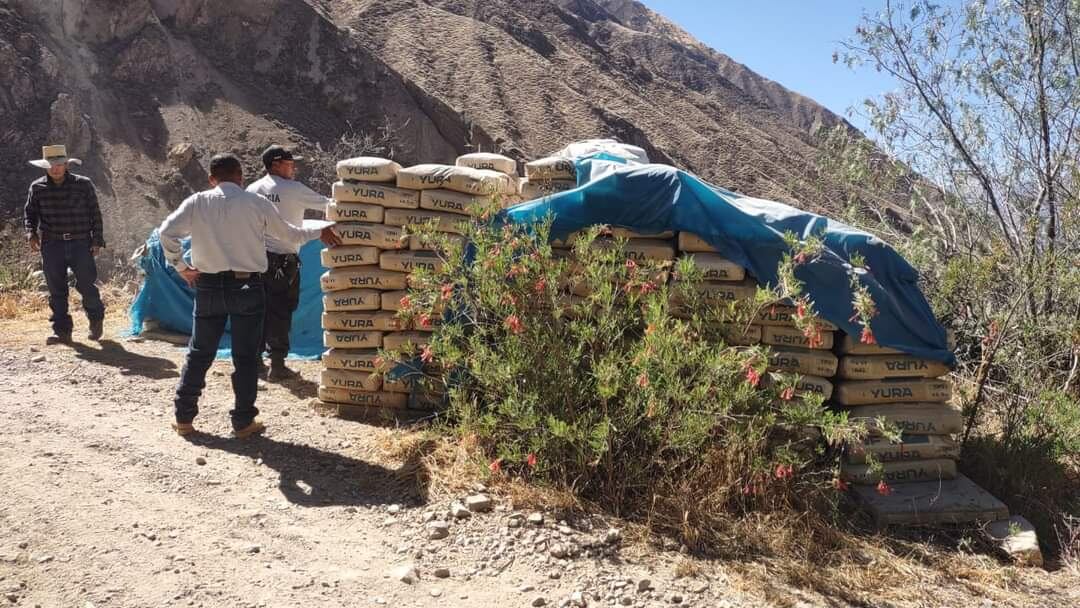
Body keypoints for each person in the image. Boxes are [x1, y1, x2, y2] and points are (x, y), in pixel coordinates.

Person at [158, 153, 341, 438]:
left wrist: (181, 267)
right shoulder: (257, 203)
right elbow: (291, 235)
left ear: (212, 179)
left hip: (208, 285)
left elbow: (166, 233)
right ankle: (243, 422)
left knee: (199, 352)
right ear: (240, 177)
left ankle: (184, 418)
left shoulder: (197, 202)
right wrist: (320, 229)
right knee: (245, 357)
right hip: (247, 287)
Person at [246, 145, 332, 380]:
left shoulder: (252, 189)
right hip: (282, 262)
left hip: (254, 260)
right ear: (275, 164)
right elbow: (329, 204)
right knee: (281, 312)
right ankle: (277, 364)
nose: (293, 168)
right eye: (290, 164)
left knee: (257, 311)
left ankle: (255, 362)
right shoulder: (293, 189)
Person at [24, 144, 107, 344]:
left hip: (81, 243)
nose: (55, 169)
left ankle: (96, 319)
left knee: (87, 286)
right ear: (45, 167)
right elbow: (30, 214)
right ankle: (62, 331)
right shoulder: (37, 187)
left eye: (59, 164)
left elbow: (95, 213)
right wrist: (31, 234)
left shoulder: (83, 184)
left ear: (66, 165)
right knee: (56, 290)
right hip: (52, 244)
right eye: (51, 165)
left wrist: (97, 240)